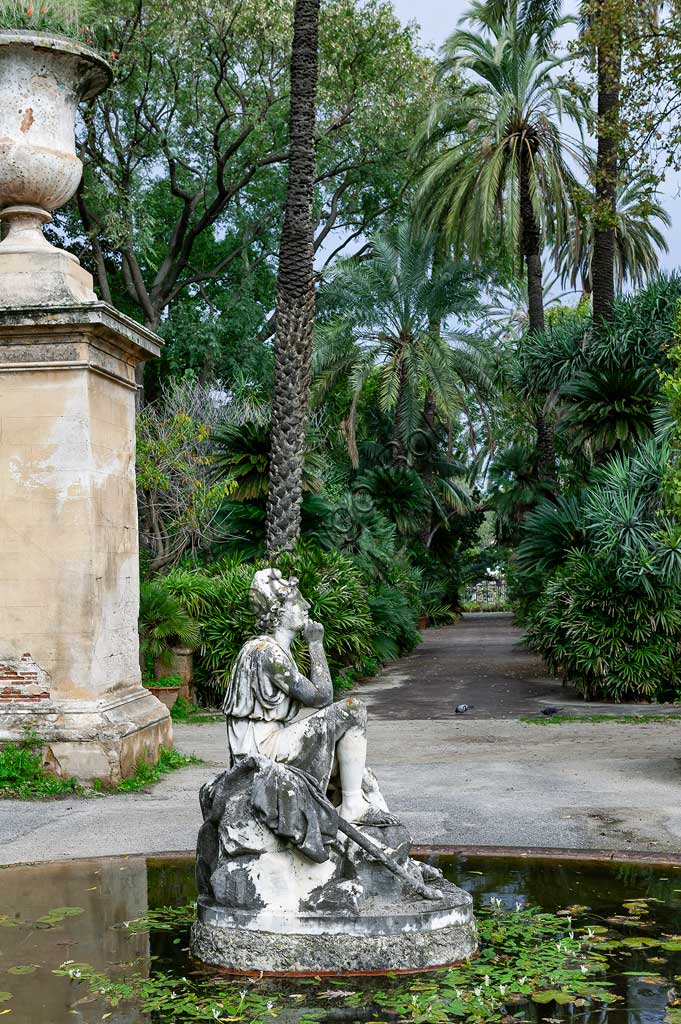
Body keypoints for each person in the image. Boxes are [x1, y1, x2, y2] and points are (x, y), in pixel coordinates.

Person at [222, 567, 386, 824]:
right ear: (278, 610)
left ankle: (355, 801)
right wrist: (316, 644)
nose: (306, 604)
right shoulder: (268, 653)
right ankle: (352, 805)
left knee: (357, 769)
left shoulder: (268, 650)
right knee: (353, 710)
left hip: (268, 742)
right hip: (265, 750)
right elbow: (322, 697)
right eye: (297, 600)